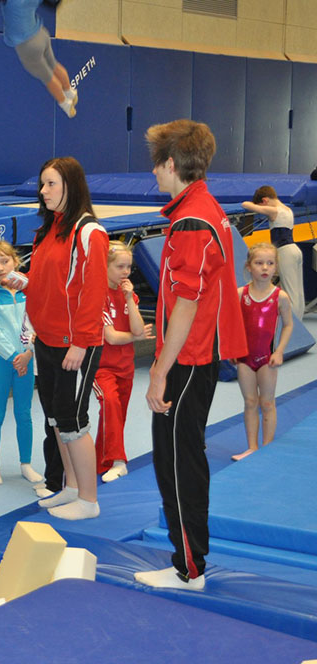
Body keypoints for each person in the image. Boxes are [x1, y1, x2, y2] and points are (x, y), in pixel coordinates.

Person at [135, 119, 247, 591]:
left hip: (188, 357)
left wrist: (159, 371)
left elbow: (186, 304)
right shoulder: (203, 208)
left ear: (171, 163)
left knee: (179, 462)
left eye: (156, 165)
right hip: (196, 353)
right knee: (177, 456)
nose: (153, 174)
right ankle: (187, 560)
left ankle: (190, 567)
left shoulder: (192, 222)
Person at [19, 156, 107, 521]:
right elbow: (48, 284)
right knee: (55, 418)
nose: (43, 191)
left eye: (51, 183)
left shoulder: (89, 233)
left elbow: (93, 292)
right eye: (42, 184)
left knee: (73, 420)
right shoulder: (48, 231)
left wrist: (81, 342)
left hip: (75, 343)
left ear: (71, 185)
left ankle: (89, 498)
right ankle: (71, 487)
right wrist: (23, 283)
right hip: (48, 339)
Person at [0, 240, 43, 486]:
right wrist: (12, 356)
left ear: (16, 261)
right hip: (1, 360)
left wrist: (28, 352)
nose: (0, 268)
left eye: (5, 261)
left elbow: (37, 321)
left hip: (27, 359)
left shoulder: (29, 290)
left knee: (24, 413)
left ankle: (26, 464)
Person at [93, 241, 153, 482]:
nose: (126, 272)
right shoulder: (98, 295)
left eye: (129, 267)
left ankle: (100, 461)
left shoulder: (130, 295)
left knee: (117, 415)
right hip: (102, 367)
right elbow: (112, 337)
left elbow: (138, 328)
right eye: (120, 266)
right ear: (105, 266)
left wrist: (129, 299)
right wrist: (135, 337)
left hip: (125, 366)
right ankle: (119, 461)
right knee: (110, 405)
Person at [231, 243, 294, 462]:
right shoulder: (240, 294)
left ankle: (267, 447)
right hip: (244, 359)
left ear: (276, 267)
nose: (265, 268)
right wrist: (233, 348)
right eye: (259, 263)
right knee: (250, 402)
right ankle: (252, 447)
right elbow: (233, 325)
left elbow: (288, 325)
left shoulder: (280, 296)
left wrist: (279, 351)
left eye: (270, 263)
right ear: (249, 266)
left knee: (267, 403)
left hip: (267, 358)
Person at [2, 0, 78, 117]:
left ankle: (66, 104)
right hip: (41, 34)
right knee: (53, 65)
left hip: (27, 45)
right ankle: (70, 92)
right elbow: (52, 3)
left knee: (48, 77)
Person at [241, 186, 305, 321]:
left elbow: (245, 205)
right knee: (298, 291)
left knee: (289, 290)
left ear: (265, 200)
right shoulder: (288, 210)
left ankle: (293, 324)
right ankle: (298, 320)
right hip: (295, 250)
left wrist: (252, 204)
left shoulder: (274, 210)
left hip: (285, 252)